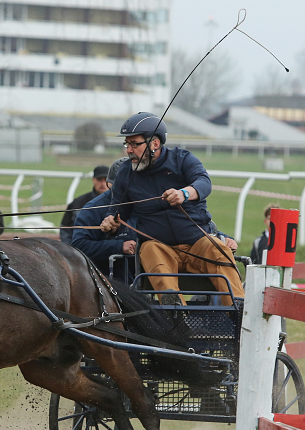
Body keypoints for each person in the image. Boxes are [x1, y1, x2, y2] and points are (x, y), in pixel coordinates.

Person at [100, 112, 244, 306]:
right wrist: (111, 220)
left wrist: (184, 193)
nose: (129, 150)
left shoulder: (182, 159)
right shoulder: (125, 173)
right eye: (127, 144)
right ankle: (176, 312)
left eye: (135, 144)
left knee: (219, 249)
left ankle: (239, 309)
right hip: (160, 247)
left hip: (197, 242)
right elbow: (117, 210)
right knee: (149, 248)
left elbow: (204, 182)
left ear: (155, 144)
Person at [71, 159, 136, 277]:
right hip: (108, 281)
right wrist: (119, 247)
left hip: (143, 279)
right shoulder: (93, 209)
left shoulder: (149, 203)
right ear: (109, 184)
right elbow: (79, 246)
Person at [60, 165, 109, 245]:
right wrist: (71, 250)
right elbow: (65, 229)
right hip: (81, 251)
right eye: (99, 179)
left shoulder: (119, 202)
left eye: (106, 179)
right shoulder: (77, 203)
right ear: (93, 180)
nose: (103, 183)